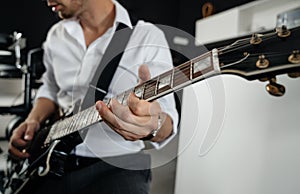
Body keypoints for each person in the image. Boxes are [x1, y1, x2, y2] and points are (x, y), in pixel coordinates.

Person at [8, 0, 178, 193]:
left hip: (118, 168)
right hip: (51, 161)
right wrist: (32, 121)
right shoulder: (56, 35)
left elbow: (167, 121)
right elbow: (51, 89)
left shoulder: (147, 36)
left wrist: (151, 126)